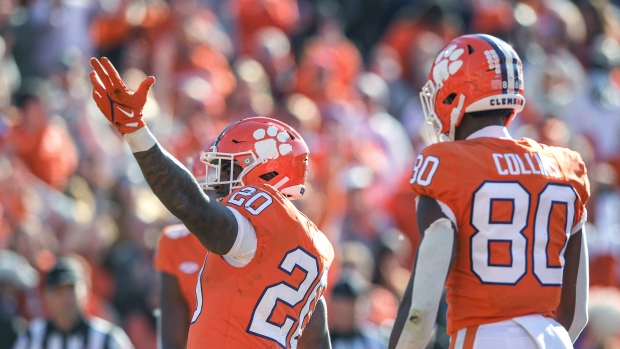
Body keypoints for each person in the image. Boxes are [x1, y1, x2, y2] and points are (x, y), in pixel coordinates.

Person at [89, 57, 334, 349]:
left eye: (229, 169)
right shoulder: (315, 243)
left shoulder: (263, 209)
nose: (218, 183)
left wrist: (136, 131)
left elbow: (193, 207)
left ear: (266, 169)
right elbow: (318, 340)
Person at [388, 34, 590, 349]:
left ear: (454, 95)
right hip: (554, 340)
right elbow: (575, 313)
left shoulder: (447, 165)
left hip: (484, 338)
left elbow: (421, 310)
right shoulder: (565, 167)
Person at [13, 256, 133, 349]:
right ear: (47, 296)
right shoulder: (31, 337)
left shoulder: (108, 337)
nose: (66, 300)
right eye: (59, 292)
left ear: (86, 291)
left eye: (71, 291)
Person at [153, 152, 208, 349]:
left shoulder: (263, 239)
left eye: (217, 192)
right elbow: (172, 340)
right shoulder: (175, 243)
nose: (209, 204)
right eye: (202, 192)